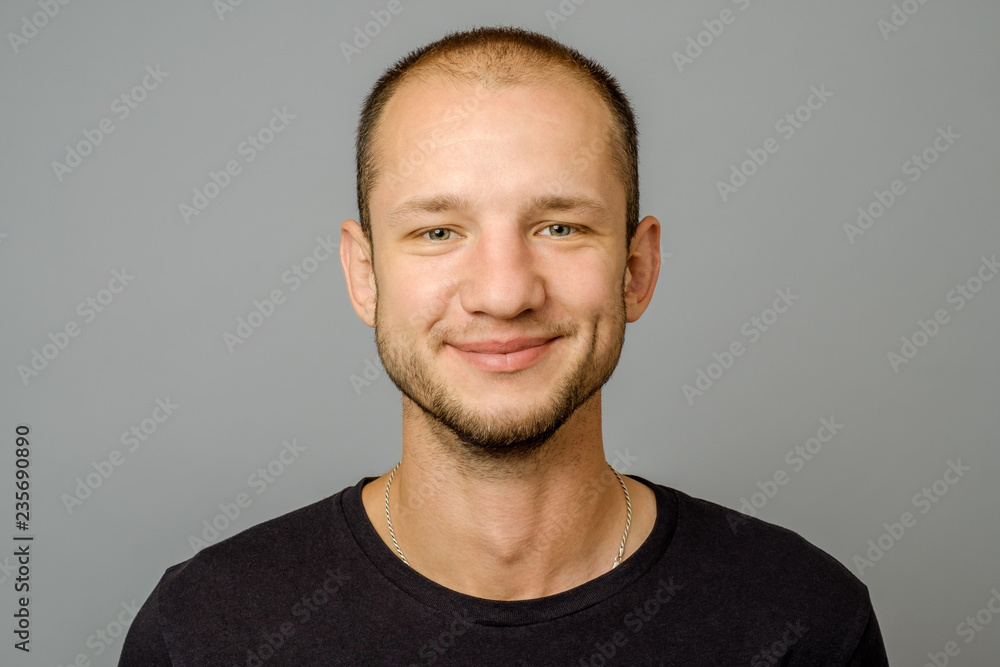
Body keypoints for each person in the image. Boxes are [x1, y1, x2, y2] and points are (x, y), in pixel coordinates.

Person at [119, 26, 889, 665]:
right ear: (364, 274)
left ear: (636, 268)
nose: (504, 291)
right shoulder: (203, 631)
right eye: (438, 231)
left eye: (559, 226)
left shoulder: (805, 620)